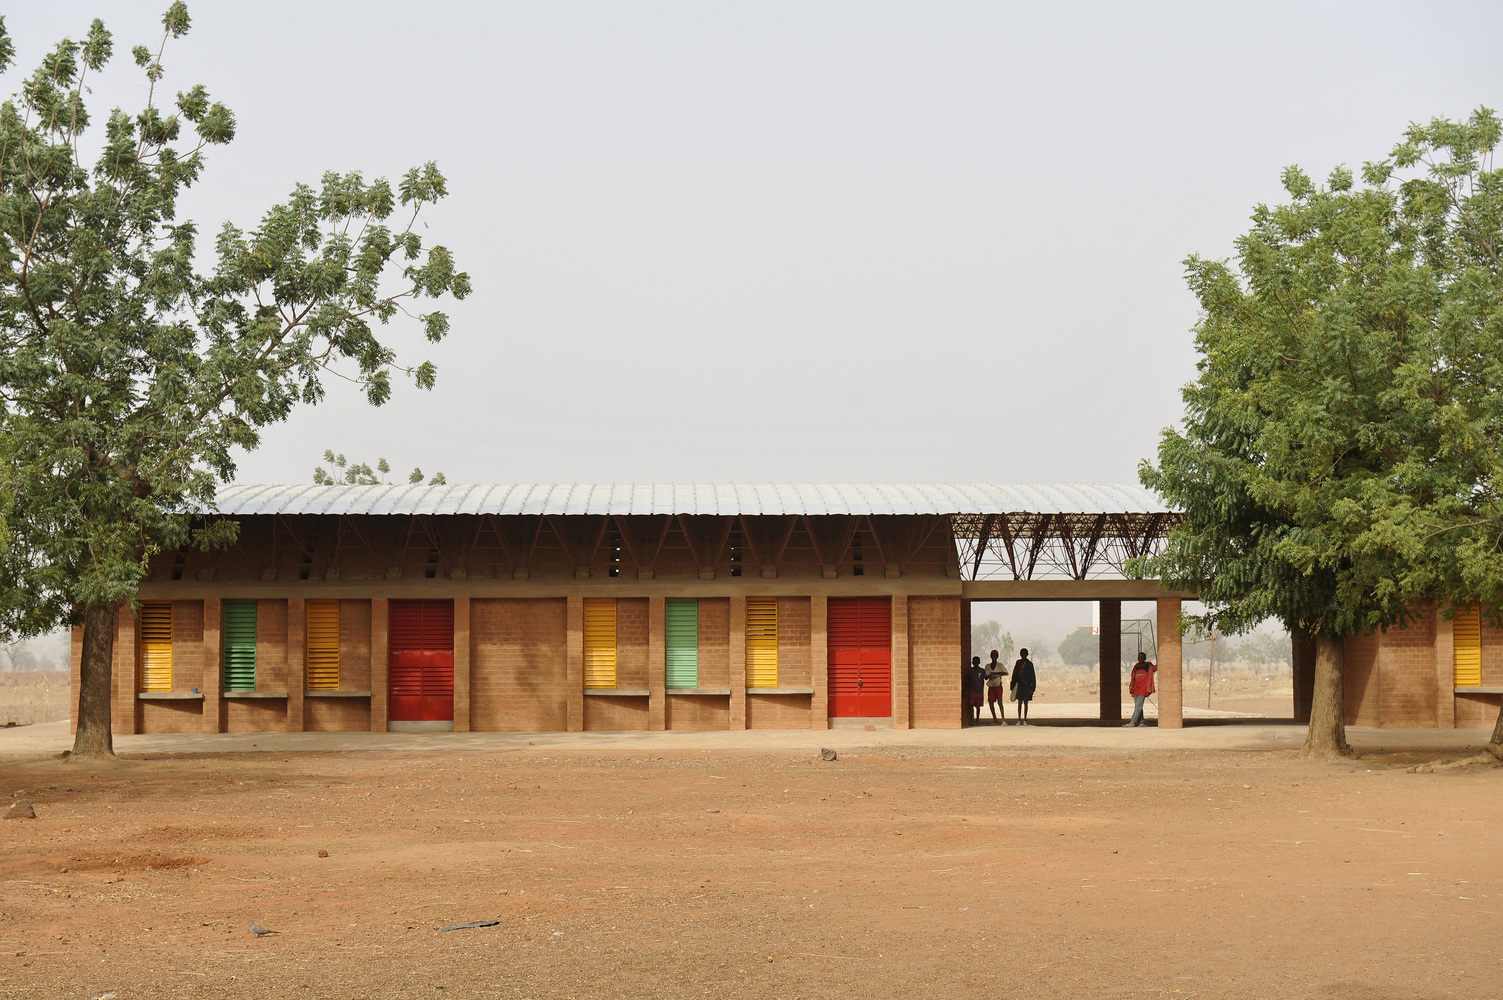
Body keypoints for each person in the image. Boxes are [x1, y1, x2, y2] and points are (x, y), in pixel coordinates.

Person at [1125, 651, 1157, 727]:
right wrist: (1131, 685)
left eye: (1142, 657)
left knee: (1138, 707)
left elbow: (1155, 668)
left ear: (1145, 658)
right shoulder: (1136, 666)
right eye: (1139, 657)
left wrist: (1159, 659)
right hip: (1136, 689)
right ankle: (1142, 722)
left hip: (1143, 689)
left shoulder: (1148, 665)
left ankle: (1133, 722)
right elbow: (1133, 677)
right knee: (1138, 706)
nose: (1140, 658)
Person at [1009, 648, 1037, 725]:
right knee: (1019, 702)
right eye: (1022, 653)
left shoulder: (1029, 664)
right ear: (1020, 654)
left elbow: (1033, 676)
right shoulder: (1018, 663)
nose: (1023, 655)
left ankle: (1025, 719)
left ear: (1027, 654)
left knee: (1026, 702)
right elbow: (1014, 674)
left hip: (1027, 685)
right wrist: (1012, 684)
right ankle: (1019, 719)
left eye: (1025, 653)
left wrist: (1032, 688)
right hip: (1019, 685)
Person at [985, 649, 1009, 724]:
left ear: (997, 656)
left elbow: (1005, 672)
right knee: (990, 703)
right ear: (991, 656)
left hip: (998, 686)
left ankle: (1003, 719)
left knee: (1000, 702)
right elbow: (985, 677)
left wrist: (995, 674)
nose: (994, 657)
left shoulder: (999, 665)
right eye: (993, 656)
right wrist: (989, 676)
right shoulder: (987, 666)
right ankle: (994, 718)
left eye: (995, 656)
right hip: (991, 686)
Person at [964, 655, 988, 725]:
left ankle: (977, 719)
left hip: (979, 690)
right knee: (971, 705)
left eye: (977, 662)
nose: (975, 663)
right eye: (974, 662)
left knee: (978, 706)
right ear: (972, 662)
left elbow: (986, 678)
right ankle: (972, 719)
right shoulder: (970, 671)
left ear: (979, 662)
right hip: (972, 690)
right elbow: (965, 680)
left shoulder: (982, 671)